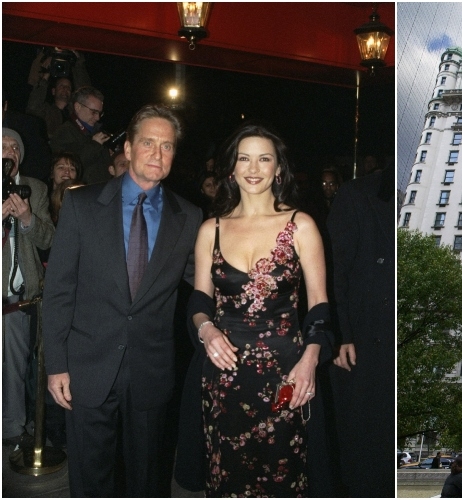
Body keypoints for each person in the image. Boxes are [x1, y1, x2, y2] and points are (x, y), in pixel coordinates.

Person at [42, 104, 203, 497]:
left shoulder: (190, 217)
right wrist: (57, 365)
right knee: (90, 475)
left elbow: (205, 285)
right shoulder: (81, 206)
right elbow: (59, 290)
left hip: (150, 369)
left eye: (167, 146)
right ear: (128, 149)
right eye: (148, 142)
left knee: (147, 477)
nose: (157, 153)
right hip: (87, 366)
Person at [190, 122, 331, 497]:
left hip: (287, 373)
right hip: (223, 374)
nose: (253, 168)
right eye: (244, 158)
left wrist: (309, 360)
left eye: (264, 158)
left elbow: (319, 305)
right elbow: (200, 301)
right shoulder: (211, 229)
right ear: (231, 168)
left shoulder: (301, 225)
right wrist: (206, 330)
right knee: (227, 477)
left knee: (282, 475)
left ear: (278, 168)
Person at [327, 167, 394, 497]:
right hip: (363, 342)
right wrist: (342, 335)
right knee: (363, 454)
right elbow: (335, 270)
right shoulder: (356, 195)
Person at [2, 128, 55, 447]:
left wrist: (27, 219)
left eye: (15, 147)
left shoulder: (34, 188)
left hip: (16, 301)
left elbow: (50, 239)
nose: (10, 150)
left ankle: (10, 428)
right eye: (3, 145)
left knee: (15, 367)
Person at [49, 86, 112, 185]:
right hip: (81, 194)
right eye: (94, 112)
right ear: (78, 107)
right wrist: (94, 145)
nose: (97, 117)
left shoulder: (96, 132)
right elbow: (70, 165)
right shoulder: (64, 132)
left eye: (100, 113)